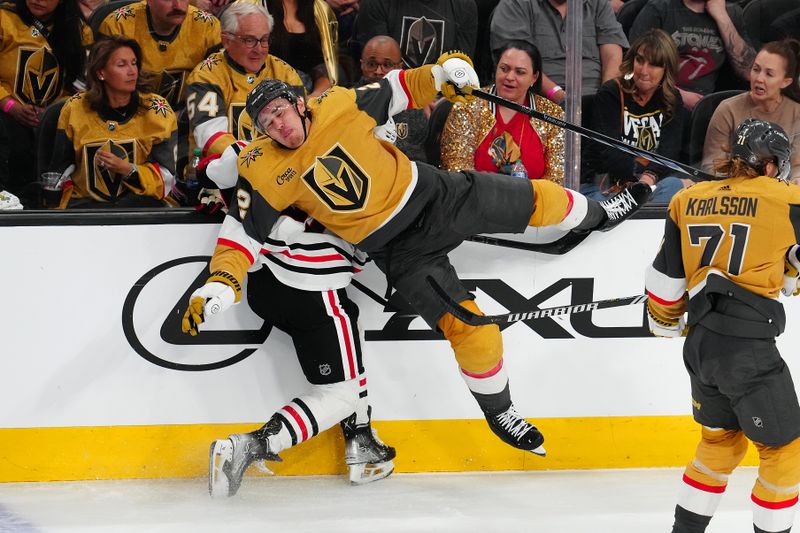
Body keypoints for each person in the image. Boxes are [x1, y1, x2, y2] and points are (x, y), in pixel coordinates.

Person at [179, 51, 653, 486]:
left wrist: (450, 71)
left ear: (299, 103)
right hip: (401, 252)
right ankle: (500, 411)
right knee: (475, 331)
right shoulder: (261, 168)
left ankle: (601, 213)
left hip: (435, 194)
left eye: (280, 111)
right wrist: (221, 281)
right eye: (265, 122)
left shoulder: (339, 104)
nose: (278, 126)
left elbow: (404, 86)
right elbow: (241, 233)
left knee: (535, 197)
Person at [645, 118, 800, 533]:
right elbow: (793, 276)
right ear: (770, 165)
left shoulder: (687, 200)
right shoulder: (787, 198)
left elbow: (664, 285)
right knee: (785, 450)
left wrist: (665, 321)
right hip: (747, 348)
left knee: (719, 443)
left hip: (700, 349)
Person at [48, 36, 178, 208]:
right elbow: (59, 172)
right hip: (85, 208)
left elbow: (168, 178)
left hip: (141, 208)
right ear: (101, 73)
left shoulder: (157, 110)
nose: (132, 71)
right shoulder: (74, 108)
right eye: (122, 65)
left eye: (133, 63)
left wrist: (129, 170)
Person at [582, 29, 690, 204]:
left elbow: (669, 151)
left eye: (654, 64)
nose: (644, 70)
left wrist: (647, 179)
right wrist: (637, 183)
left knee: (676, 186)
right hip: (606, 185)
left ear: (666, 69)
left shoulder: (672, 98)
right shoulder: (611, 93)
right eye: (640, 60)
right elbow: (610, 152)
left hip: (649, 185)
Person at [184, 2, 303, 159]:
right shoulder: (206, 76)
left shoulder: (284, 72)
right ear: (226, 40)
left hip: (279, 166)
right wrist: (258, 160)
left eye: (264, 39)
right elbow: (212, 139)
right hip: (225, 172)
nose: (259, 49)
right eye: (249, 40)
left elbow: (302, 124)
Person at [440, 40, 565, 184]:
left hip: (532, 204)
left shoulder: (551, 115)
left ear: (534, 77)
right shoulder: (467, 106)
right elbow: (457, 171)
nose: (510, 77)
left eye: (520, 72)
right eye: (504, 69)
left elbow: (557, 180)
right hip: (477, 201)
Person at [0, 0, 85, 204]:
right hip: (5, 114)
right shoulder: (4, 18)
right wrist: (11, 106)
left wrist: (53, 113)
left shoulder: (77, 28)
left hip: (52, 119)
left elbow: (78, 85)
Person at [489, 0, 628, 104]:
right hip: (541, 100)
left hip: (596, 98)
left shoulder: (597, 4)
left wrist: (607, 96)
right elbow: (516, 66)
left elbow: (613, 55)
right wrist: (559, 96)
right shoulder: (515, 4)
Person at [702, 38, 800, 184]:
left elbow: (797, 166)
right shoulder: (727, 109)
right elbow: (711, 166)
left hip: (779, 196)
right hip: (735, 191)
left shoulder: (797, 114)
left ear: (785, 82)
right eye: (756, 69)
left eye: (769, 74)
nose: (759, 78)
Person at [629, 0, 755, 112]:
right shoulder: (659, 8)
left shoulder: (730, 13)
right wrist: (677, 94)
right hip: (660, 99)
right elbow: (633, 66)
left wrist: (721, 16)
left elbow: (749, 71)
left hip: (708, 107)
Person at [97, 0, 221, 110]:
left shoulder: (208, 26)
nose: (177, 5)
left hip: (188, 118)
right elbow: (103, 88)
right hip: (130, 116)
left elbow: (216, 86)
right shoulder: (118, 25)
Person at [354, 35, 427, 163]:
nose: (378, 71)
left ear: (399, 67)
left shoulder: (413, 109)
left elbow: (416, 161)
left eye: (386, 65)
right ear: (362, 65)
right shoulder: (347, 101)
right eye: (371, 64)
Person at [354, 0, 478, 69]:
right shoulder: (377, 4)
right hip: (389, 95)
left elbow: (461, 70)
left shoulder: (465, 6)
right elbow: (377, 70)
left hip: (440, 98)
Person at [263, 0, 340, 95]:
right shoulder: (255, 6)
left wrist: (314, 97)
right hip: (267, 94)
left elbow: (324, 68)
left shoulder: (320, 10)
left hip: (312, 95)